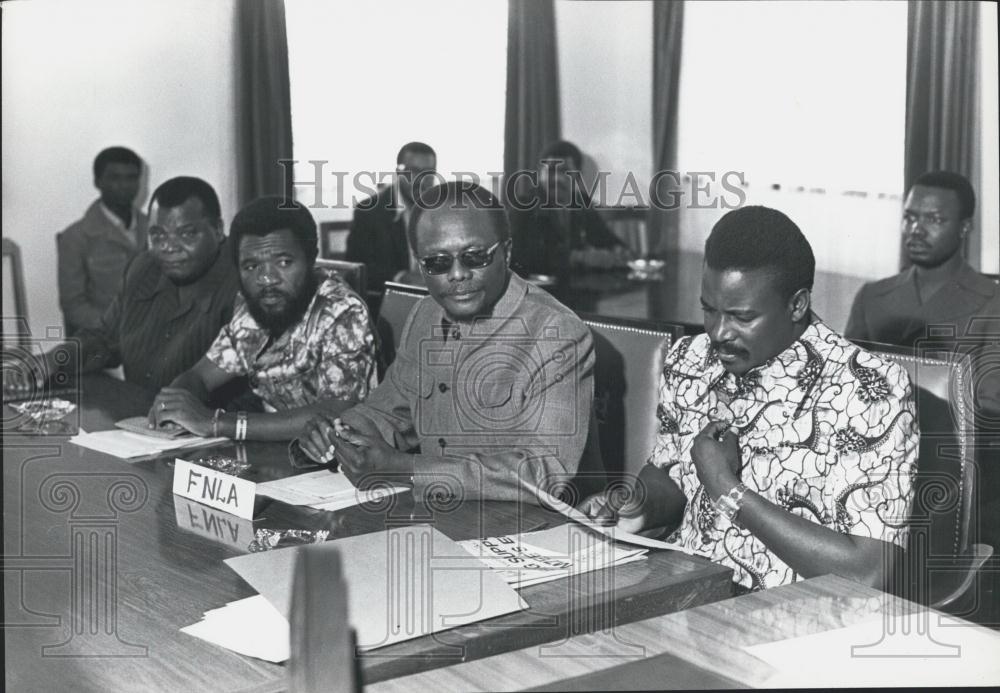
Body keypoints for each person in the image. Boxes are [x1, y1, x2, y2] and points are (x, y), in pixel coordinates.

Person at [580, 206, 919, 593]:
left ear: (797, 304)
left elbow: (867, 572)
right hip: (680, 593)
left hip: (793, 620)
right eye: (709, 310)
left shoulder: (869, 389)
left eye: (742, 317)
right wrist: (637, 504)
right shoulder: (691, 359)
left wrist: (727, 489)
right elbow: (669, 473)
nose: (719, 332)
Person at [297, 182, 602, 501]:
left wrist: (404, 467)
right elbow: (387, 411)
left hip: (541, 529)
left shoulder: (557, 332)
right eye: (437, 263)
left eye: (475, 257)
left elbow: (544, 474)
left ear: (507, 253)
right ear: (419, 264)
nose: (457, 274)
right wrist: (333, 434)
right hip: (442, 514)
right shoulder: (425, 314)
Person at [148, 196, 378, 441]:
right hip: (279, 453)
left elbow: (337, 410)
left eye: (283, 262)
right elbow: (200, 376)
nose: (267, 279)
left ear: (311, 258)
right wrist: (176, 400)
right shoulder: (256, 308)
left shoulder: (341, 310)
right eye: (251, 266)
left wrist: (218, 424)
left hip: (343, 459)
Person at [4, 177, 238, 394]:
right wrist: (54, 359)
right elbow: (105, 340)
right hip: (136, 424)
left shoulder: (242, 282)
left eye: (186, 235)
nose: (169, 247)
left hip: (215, 429)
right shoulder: (144, 268)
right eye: (158, 235)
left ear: (217, 230)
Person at [845, 171, 1000, 347]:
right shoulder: (870, 296)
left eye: (934, 219)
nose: (916, 230)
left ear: (964, 227)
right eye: (909, 218)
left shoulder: (993, 303)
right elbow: (847, 371)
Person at [509, 140, 631, 283]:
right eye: (550, 170)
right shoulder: (523, 205)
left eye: (565, 171)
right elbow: (519, 256)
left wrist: (618, 251)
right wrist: (578, 258)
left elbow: (605, 238)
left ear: (577, 177)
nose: (556, 178)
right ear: (540, 174)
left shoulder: (581, 202)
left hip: (576, 290)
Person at [58, 146, 149, 336]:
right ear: (98, 182)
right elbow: (73, 306)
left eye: (131, 178)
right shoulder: (76, 237)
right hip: (106, 340)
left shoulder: (156, 229)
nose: (124, 185)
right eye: (115, 178)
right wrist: (118, 328)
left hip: (157, 336)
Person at [346, 141, 437, 298]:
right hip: (389, 304)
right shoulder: (369, 211)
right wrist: (401, 278)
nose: (421, 180)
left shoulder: (443, 208)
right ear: (399, 172)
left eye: (428, 173)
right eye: (414, 171)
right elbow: (357, 270)